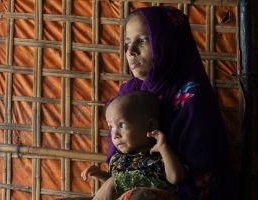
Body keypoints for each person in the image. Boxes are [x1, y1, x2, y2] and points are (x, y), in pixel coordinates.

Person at [105, 6, 234, 200]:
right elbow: (118, 155)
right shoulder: (129, 92)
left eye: (142, 40)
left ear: (166, 43)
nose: (130, 51)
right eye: (127, 43)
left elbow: (200, 173)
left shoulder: (192, 97)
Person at [81, 91, 186, 200]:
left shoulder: (158, 154)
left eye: (122, 125)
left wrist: (163, 147)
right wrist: (100, 175)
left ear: (150, 126)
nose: (115, 135)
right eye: (111, 127)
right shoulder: (118, 159)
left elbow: (176, 178)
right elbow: (114, 188)